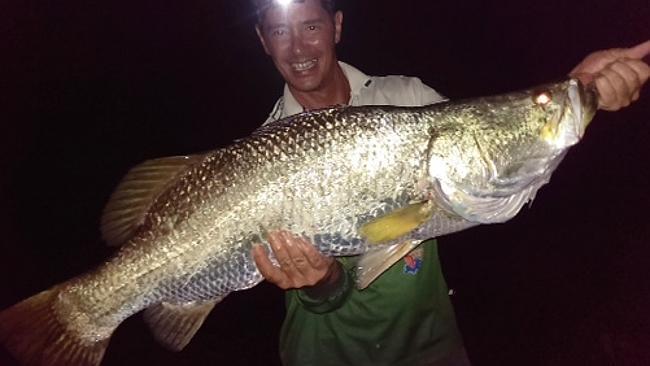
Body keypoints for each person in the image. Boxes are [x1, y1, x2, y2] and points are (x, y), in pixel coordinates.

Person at [249, 1, 650, 365]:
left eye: (311, 28)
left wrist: (581, 90)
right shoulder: (258, 159)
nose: (298, 49)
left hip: (430, 347)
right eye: (280, 32)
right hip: (324, 353)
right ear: (263, 41)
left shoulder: (408, 97)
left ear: (336, 26)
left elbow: (495, 157)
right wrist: (323, 282)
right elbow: (324, 293)